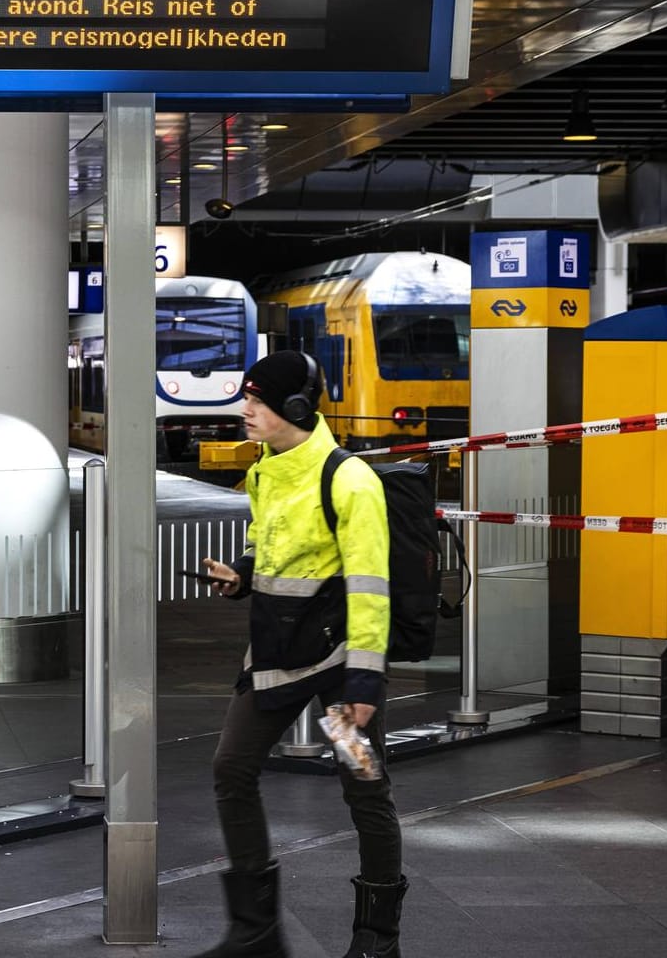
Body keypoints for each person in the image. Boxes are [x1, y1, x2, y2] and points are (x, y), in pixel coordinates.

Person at [188, 350, 405, 958]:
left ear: (295, 408)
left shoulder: (349, 479)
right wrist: (244, 574)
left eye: (256, 401)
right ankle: (256, 933)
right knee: (232, 769)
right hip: (277, 657)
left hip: (340, 675)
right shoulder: (266, 469)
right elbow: (276, 549)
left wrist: (364, 685)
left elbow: (369, 586)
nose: (245, 410)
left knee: (364, 785)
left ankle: (377, 940)